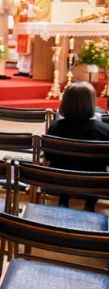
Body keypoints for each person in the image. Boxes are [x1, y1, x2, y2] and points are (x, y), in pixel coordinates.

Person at [46, 82, 109, 211]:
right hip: (95, 183)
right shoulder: (104, 130)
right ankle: (90, 205)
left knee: (62, 166)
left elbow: (49, 156)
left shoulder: (56, 127)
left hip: (59, 180)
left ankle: (63, 201)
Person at [14, 0, 51, 78]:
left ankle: (31, 70)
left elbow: (43, 11)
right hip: (24, 23)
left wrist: (29, 7)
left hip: (34, 24)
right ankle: (22, 69)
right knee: (23, 46)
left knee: (32, 48)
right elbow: (18, 6)